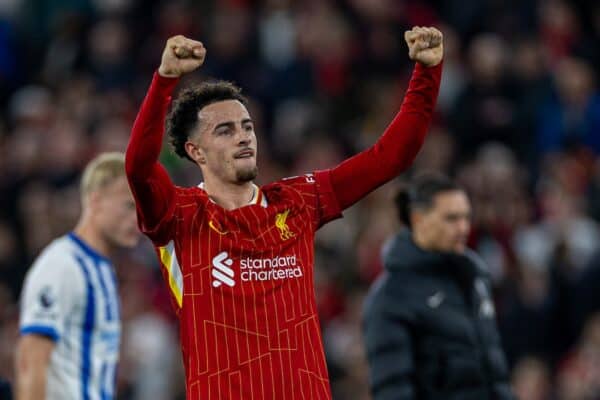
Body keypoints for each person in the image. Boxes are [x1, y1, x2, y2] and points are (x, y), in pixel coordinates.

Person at [125, 26, 443, 399]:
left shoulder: (297, 201)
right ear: (196, 151)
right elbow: (138, 167)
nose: (243, 137)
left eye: (247, 127)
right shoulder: (178, 214)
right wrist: (164, 82)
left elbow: (392, 156)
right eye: (225, 131)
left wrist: (426, 72)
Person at [362, 174, 514, 399]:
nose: (463, 228)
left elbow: (495, 375)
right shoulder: (391, 296)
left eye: (466, 218)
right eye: (451, 219)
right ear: (418, 219)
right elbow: (392, 388)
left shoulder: (475, 280)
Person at [15, 152, 140, 400]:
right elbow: (31, 360)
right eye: (129, 206)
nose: (138, 219)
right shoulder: (62, 264)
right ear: (95, 201)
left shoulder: (103, 271)